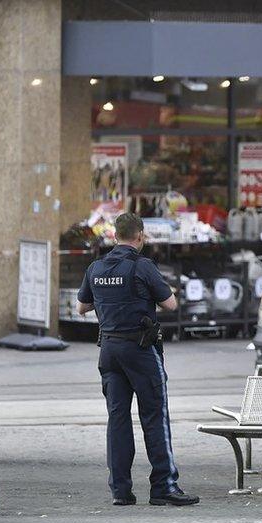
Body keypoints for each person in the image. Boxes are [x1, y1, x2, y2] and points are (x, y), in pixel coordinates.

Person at [77, 213, 199, 507]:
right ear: (140, 236)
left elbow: (82, 307)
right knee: (155, 416)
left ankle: (121, 491)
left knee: (117, 420)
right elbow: (169, 303)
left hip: (109, 351)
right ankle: (163, 487)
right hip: (141, 351)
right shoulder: (142, 266)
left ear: (115, 236)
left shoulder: (96, 268)